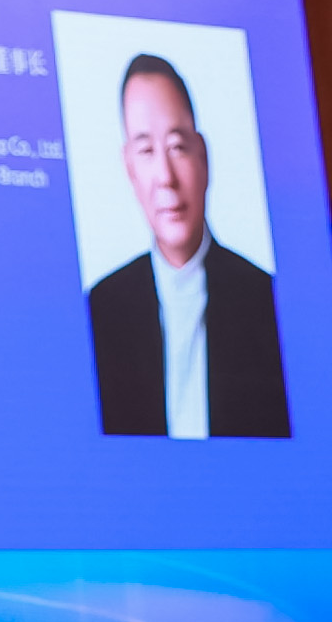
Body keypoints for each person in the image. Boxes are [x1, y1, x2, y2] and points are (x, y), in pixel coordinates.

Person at [86, 52, 291, 437]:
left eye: (177, 147)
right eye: (146, 151)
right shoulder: (100, 309)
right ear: (129, 168)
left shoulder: (270, 303)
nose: (165, 176)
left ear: (203, 156)